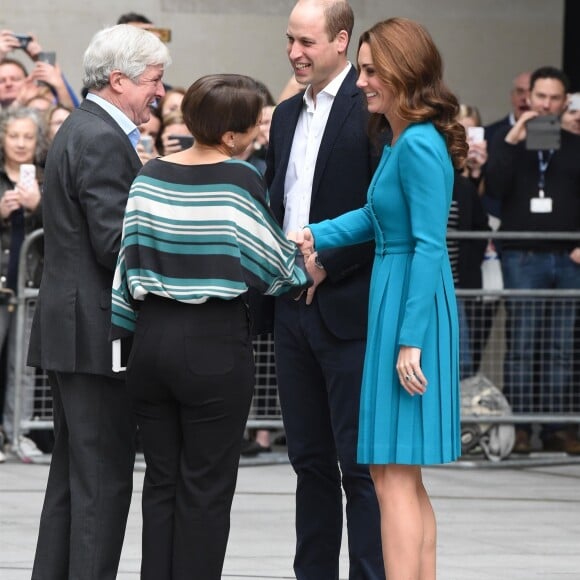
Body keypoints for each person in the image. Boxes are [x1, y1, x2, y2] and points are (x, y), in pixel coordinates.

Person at [110, 73, 311, 580]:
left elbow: (125, 269)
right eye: (251, 126)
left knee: (160, 483)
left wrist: (123, 347)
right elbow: (275, 267)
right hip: (212, 343)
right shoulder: (239, 178)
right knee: (206, 487)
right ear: (229, 136)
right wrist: (304, 261)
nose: (256, 135)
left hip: (150, 340)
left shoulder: (149, 174)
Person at [291, 16, 467, 579]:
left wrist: (411, 339)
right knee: (402, 476)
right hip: (397, 300)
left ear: (402, 73)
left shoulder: (415, 142)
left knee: (391, 476)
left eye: (371, 71)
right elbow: (376, 216)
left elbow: (428, 246)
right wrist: (319, 233)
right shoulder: (399, 137)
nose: (362, 80)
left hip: (407, 309)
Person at [27, 24, 170, 580]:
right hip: (96, 336)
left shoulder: (80, 129)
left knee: (71, 478)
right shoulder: (102, 139)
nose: (159, 92)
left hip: (74, 332)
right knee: (102, 483)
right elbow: (116, 244)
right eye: (153, 81)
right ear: (119, 81)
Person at [264, 1, 385, 578]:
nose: (295, 52)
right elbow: (277, 200)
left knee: (360, 467)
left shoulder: (373, 111)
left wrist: (326, 265)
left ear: (342, 41)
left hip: (349, 308)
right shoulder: (286, 114)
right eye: (290, 40)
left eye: (307, 42)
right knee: (308, 461)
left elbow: (384, 211)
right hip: (293, 309)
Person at [486, 66, 580, 456]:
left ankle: (556, 428)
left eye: (554, 98)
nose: (546, 104)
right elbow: (493, 186)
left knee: (561, 347)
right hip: (522, 258)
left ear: (564, 102)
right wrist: (513, 137)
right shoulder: (508, 141)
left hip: (568, 259)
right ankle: (520, 427)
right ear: (528, 98)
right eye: (540, 96)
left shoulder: (575, 143)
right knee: (522, 344)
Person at [0, 107, 47, 461]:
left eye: (27, 136)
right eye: (13, 135)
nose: (20, 143)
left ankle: (19, 432)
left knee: (24, 365)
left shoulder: (47, 179)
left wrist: (38, 206)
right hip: (2, 283)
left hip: (31, 286)